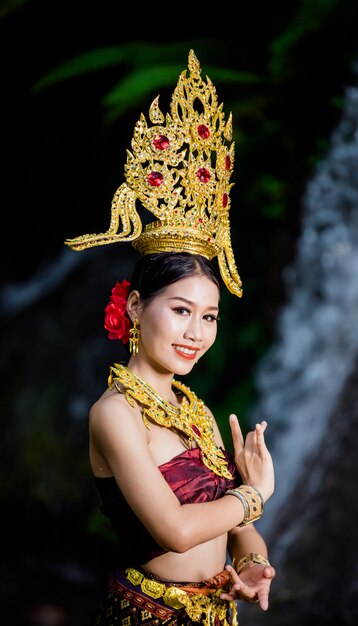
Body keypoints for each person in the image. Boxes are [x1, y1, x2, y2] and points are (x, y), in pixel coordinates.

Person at [65, 50, 276, 626]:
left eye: (209, 317)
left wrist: (253, 561)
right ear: (136, 305)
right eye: (181, 310)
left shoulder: (194, 408)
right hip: (149, 616)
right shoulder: (114, 415)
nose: (196, 333)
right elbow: (176, 530)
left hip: (215, 614)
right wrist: (256, 492)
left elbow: (239, 527)